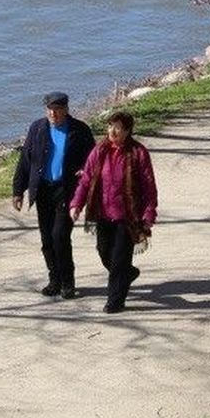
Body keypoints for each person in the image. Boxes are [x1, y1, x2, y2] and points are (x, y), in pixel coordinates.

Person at [70, 110, 157, 314]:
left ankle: (115, 301)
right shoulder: (99, 151)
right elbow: (86, 181)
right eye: (110, 126)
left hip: (127, 217)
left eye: (117, 128)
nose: (112, 131)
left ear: (127, 131)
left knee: (119, 260)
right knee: (104, 252)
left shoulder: (138, 153)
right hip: (102, 214)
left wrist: (149, 214)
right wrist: (76, 204)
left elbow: (149, 187)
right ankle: (128, 273)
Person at [12, 91, 95, 299]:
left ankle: (68, 282)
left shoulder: (80, 130)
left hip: (67, 191)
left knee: (60, 236)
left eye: (57, 110)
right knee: (47, 239)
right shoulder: (37, 128)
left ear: (66, 109)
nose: (53, 114)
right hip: (43, 191)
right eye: (50, 109)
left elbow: (94, 159)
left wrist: (85, 171)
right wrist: (18, 191)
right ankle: (54, 280)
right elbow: (25, 161)